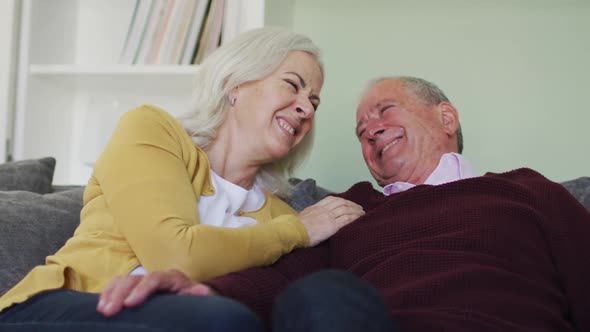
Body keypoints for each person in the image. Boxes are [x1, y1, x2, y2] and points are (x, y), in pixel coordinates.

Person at [93, 76, 590, 332]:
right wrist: (203, 290)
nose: (369, 128)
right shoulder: (352, 208)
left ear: (446, 116)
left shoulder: (526, 190)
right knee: (320, 294)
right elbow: (282, 275)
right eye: (359, 130)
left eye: (384, 111)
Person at [0, 28, 366, 332]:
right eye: (292, 85)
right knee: (224, 321)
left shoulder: (279, 212)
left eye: (314, 101)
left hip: (179, 319)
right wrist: (297, 231)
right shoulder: (152, 130)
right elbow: (173, 254)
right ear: (234, 83)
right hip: (64, 307)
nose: (306, 107)